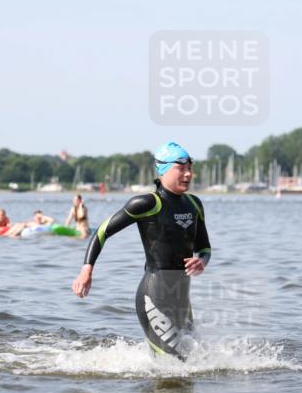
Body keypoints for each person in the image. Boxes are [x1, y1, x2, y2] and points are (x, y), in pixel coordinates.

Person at [72, 141, 211, 360]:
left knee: (195, 360)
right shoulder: (146, 203)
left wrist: (202, 261)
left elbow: (204, 247)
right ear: (163, 170)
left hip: (182, 298)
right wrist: (86, 269)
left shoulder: (194, 204)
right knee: (172, 367)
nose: (188, 174)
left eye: (190, 168)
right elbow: (102, 231)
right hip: (154, 296)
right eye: (181, 168)